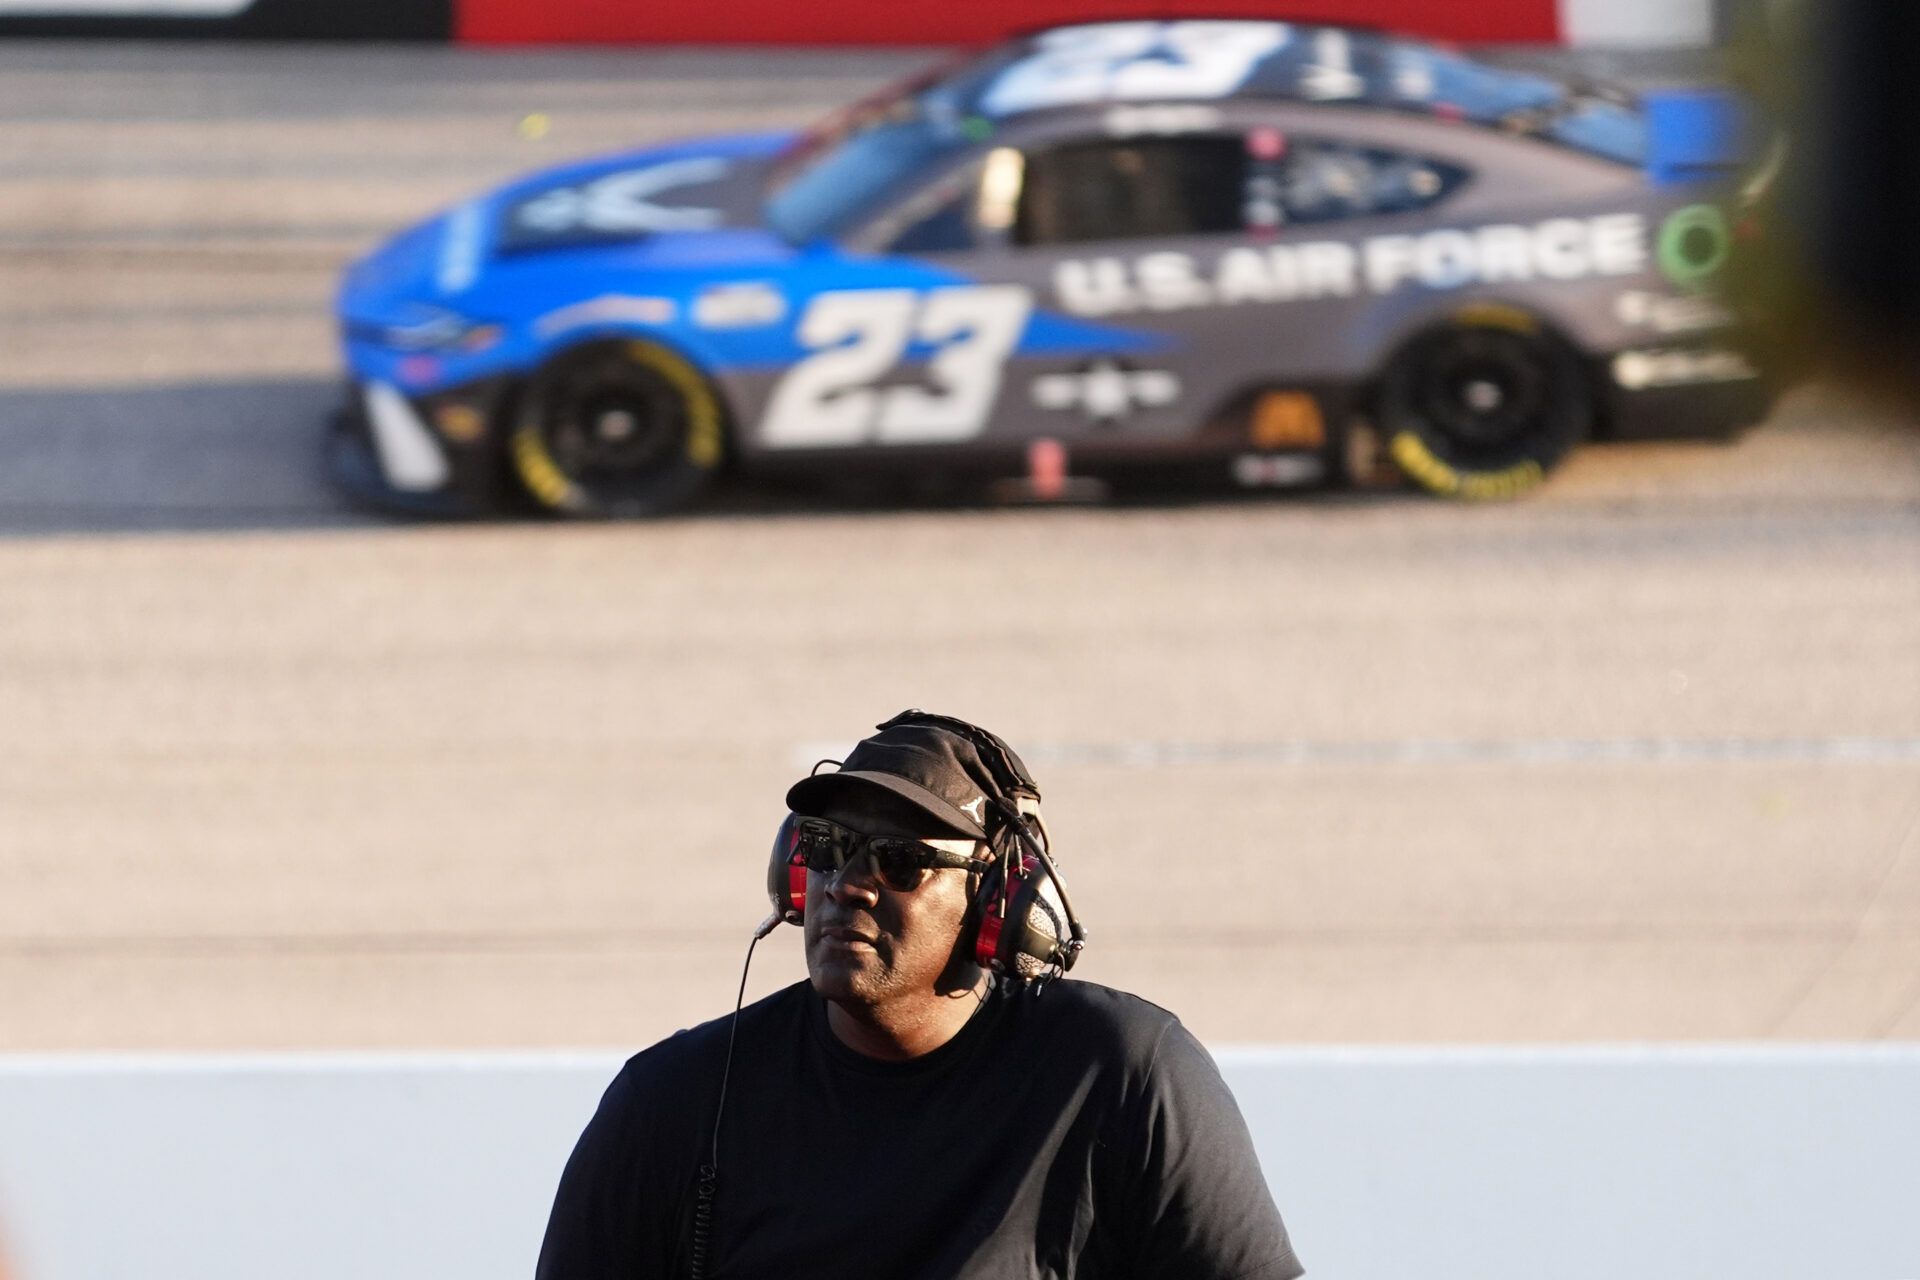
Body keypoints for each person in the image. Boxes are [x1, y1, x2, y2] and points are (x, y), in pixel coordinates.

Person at [535, 711, 1303, 1280]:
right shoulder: (671, 1102)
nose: (848, 886)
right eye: (829, 849)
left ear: (1002, 901)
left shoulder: (1122, 1073)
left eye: (901, 861)